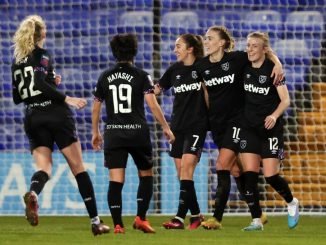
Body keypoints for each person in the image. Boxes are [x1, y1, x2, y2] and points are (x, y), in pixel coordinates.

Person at [11, 15, 109, 236]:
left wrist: (48, 82)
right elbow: (37, 82)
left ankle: (34, 193)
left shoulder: (16, 63)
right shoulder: (42, 55)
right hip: (55, 114)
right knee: (78, 168)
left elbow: (17, 96)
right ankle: (95, 222)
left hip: (33, 116)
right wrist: (67, 98)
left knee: (44, 168)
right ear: (42, 33)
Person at [195, 26, 284, 229]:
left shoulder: (236, 59)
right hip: (217, 124)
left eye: (210, 38)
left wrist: (277, 63)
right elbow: (206, 93)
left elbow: (261, 50)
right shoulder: (201, 66)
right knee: (235, 171)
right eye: (205, 39)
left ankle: (216, 218)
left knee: (221, 166)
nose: (206, 42)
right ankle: (258, 214)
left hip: (237, 121)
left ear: (222, 43)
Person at [91, 33, 175, 234]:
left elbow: (96, 107)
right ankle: (141, 218)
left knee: (116, 179)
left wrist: (95, 132)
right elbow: (152, 104)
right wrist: (165, 126)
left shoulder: (104, 76)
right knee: (146, 174)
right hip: (138, 132)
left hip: (113, 133)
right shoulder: (141, 75)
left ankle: (118, 224)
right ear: (134, 52)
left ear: (114, 52)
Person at [239, 32, 299, 231]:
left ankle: (291, 202)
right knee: (249, 175)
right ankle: (256, 219)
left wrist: (274, 116)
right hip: (249, 128)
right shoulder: (243, 66)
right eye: (248, 45)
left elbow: (286, 100)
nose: (250, 49)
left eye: (254, 46)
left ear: (264, 49)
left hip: (271, 130)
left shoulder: (274, 71)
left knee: (271, 175)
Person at [154, 34, 208, 230]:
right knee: (181, 174)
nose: (175, 49)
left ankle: (178, 218)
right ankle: (196, 215)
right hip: (177, 127)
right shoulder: (174, 69)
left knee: (186, 170)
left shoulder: (204, 67)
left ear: (190, 48)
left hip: (197, 126)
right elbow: (157, 89)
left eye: (178, 46)